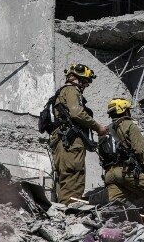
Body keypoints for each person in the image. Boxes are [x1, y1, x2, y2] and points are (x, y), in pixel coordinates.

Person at [100, 98, 144, 218]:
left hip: (109, 175)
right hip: (126, 171)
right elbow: (141, 150)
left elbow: (102, 157)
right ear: (124, 111)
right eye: (128, 110)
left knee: (116, 205)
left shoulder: (105, 131)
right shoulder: (129, 125)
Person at [49, 64, 106, 204]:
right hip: (70, 141)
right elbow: (77, 112)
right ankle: (71, 212)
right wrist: (98, 127)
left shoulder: (61, 93)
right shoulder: (71, 90)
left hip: (62, 140)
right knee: (74, 175)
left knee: (65, 178)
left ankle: (64, 212)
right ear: (76, 78)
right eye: (84, 81)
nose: (85, 85)